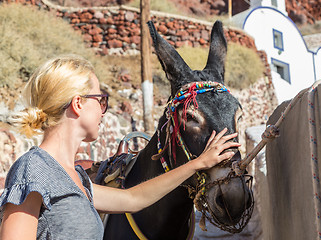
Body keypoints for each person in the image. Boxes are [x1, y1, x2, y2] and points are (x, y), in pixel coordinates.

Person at [0, 55, 240, 239]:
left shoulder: (78, 179)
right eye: (100, 100)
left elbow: (134, 199)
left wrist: (197, 164)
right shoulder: (33, 171)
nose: (105, 109)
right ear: (78, 104)